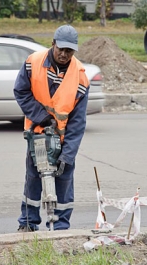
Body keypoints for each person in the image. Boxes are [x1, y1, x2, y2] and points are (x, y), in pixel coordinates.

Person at [13, 25, 90, 231]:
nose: (64, 55)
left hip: (63, 143)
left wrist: (67, 156)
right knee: (33, 181)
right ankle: (28, 223)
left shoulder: (81, 76)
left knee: (63, 185)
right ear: (53, 44)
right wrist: (42, 117)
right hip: (38, 137)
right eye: (61, 49)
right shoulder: (33, 62)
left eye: (69, 51)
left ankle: (60, 227)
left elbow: (78, 122)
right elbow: (21, 91)